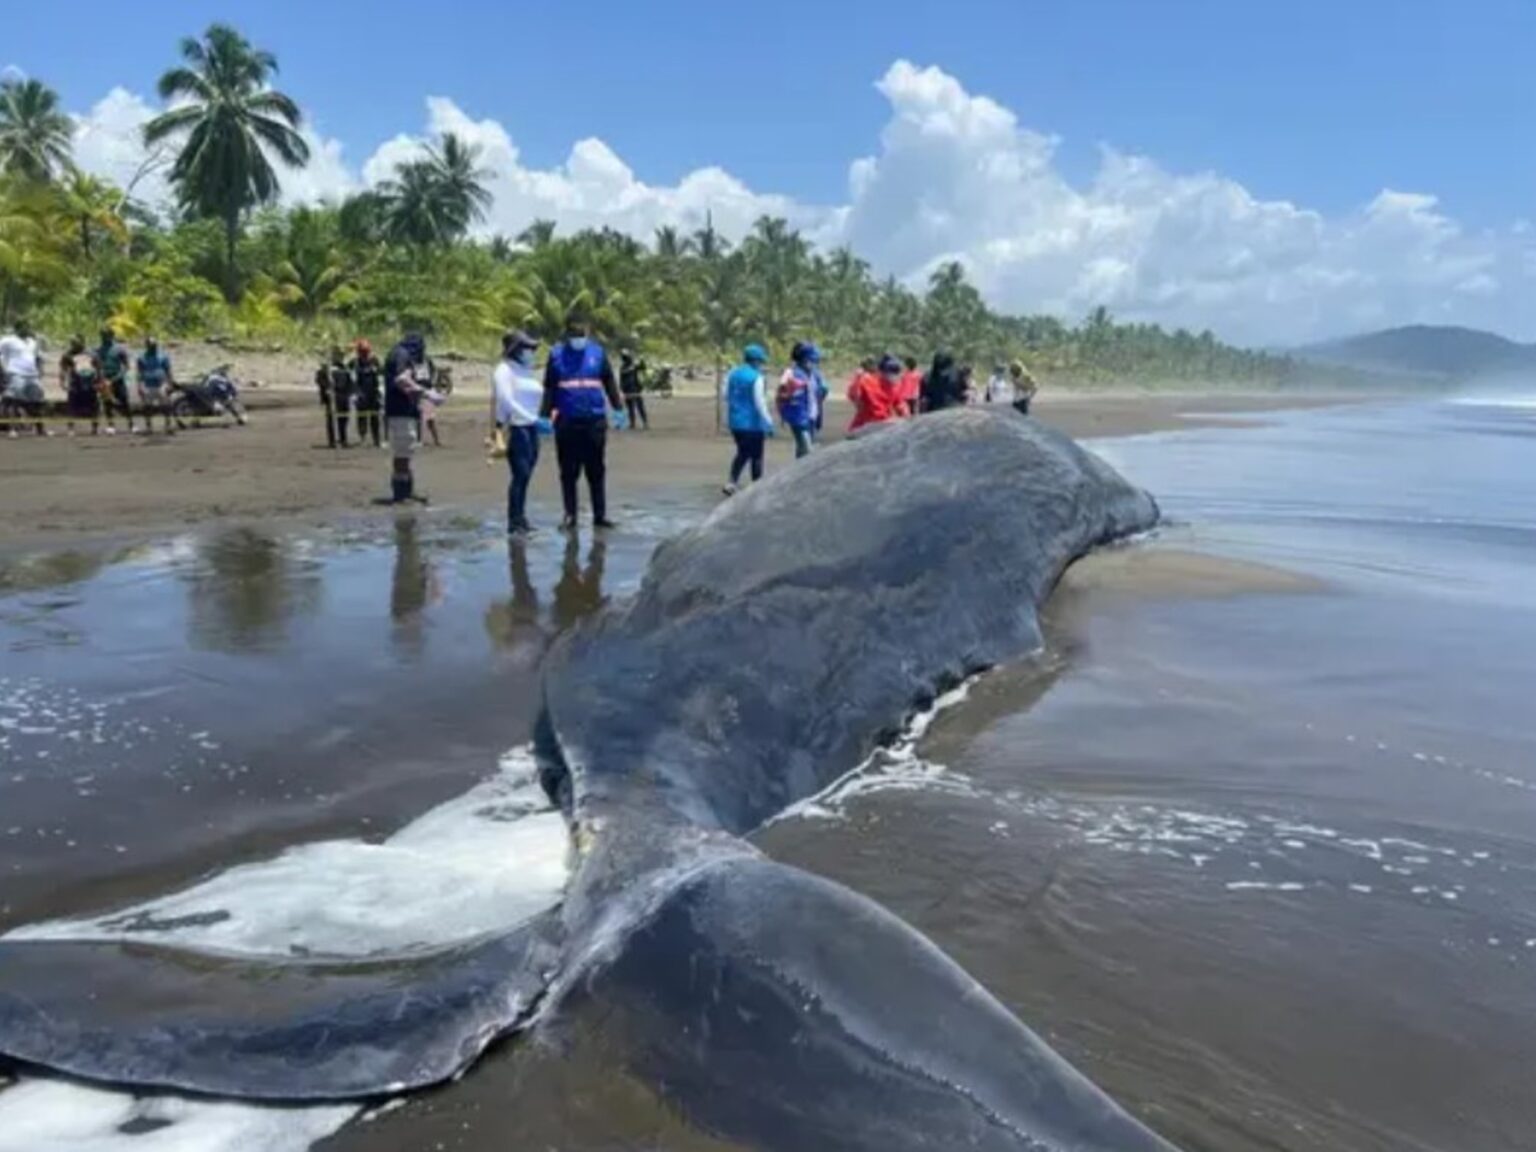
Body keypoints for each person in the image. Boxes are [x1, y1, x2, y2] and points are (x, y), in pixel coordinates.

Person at [541, 310, 622, 532]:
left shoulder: (597, 353)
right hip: (567, 422)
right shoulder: (556, 355)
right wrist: (544, 415)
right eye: (575, 336)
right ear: (567, 337)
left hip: (594, 421)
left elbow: (609, 382)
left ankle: (600, 515)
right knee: (569, 471)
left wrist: (618, 408)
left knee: (596, 470)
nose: (579, 339)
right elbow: (549, 387)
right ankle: (570, 515)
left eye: (582, 335)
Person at [492, 329, 545, 536]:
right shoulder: (503, 370)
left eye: (532, 348)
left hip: (532, 428)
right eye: (527, 347)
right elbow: (505, 401)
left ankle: (521, 518)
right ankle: (514, 522)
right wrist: (531, 419)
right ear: (515, 349)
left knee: (527, 476)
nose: (531, 351)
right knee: (520, 475)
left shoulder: (525, 370)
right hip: (517, 428)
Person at [384, 332, 434, 503]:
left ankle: (407, 490)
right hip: (400, 410)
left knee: (406, 450)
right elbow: (400, 380)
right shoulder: (401, 354)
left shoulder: (400, 354)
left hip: (405, 410)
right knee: (402, 451)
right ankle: (401, 493)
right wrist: (426, 392)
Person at [724, 343, 775, 495]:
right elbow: (760, 402)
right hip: (753, 423)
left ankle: (731, 482)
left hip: (735, 421)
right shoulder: (757, 378)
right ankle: (756, 486)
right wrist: (769, 422)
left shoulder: (732, 374)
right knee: (756, 455)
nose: (761, 364)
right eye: (760, 361)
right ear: (756, 361)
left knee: (742, 452)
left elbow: (725, 395)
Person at [776, 341, 824, 458]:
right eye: (812, 360)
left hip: (811, 416)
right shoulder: (791, 374)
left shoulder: (815, 375)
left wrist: (819, 416)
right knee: (807, 450)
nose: (814, 363)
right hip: (798, 418)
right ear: (804, 359)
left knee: (803, 451)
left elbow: (818, 396)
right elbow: (781, 395)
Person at [0, 319, 46, 438]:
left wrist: (40, 371)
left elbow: (37, 357)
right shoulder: (8, 340)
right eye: (26, 326)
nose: (28, 329)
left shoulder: (32, 342)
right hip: (15, 374)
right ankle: (12, 429)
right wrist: (4, 370)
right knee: (13, 401)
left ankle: (40, 429)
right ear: (18, 328)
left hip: (32, 375)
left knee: (37, 402)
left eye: (29, 326)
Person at [848, 354, 909, 431]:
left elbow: (900, 405)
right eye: (890, 371)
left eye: (896, 371)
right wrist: (857, 379)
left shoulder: (895, 387)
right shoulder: (867, 381)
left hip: (883, 424)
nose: (893, 375)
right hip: (864, 425)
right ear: (881, 371)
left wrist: (908, 419)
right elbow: (854, 396)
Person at [59, 336, 102, 436]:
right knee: (72, 406)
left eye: (76, 343)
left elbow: (99, 368)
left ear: (82, 342)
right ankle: (71, 429)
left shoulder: (92, 353)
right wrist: (62, 382)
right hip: (75, 383)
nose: (74, 345)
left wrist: (100, 382)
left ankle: (94, 428)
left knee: (94, 406)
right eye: (72, 343)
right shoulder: (68, 354)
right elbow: (63, 369)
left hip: (90, 382)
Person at [95, 326, 133, 434]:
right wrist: (101, 380)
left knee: (124, 402)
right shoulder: (98, 350)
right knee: (107, 403)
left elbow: (126, 366)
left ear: (111, 336)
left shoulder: (119, 349)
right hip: (105, 380)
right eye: (102, 336)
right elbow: (97, 366)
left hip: (117, 378)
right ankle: (111, 426)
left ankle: (131, 424)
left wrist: (116, 378)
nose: (103, 338)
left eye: (106, 335)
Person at [136, 336, 176, 435]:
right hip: (148, 385)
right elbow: (139, 373)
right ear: (147, 346)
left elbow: (168, 370)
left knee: (166, 406)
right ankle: (149, 427)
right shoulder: (141, 358)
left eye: (154, 345)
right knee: (147, 407)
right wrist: (139, 386)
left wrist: (170, 383)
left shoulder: (163, 356)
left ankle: (168, 425)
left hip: (161, 384)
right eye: (150, 345)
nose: (153, 347)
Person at [315, 345, 353, 448]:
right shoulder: (326, 369)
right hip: (332, 397)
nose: (339, 357)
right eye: (336, 355)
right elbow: (319, 379)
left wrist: (350, 393)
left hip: (343, 396)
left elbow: (349, 381)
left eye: (340, 355)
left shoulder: (344, 368)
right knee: (331, 420)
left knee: (344, 419)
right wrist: (326, 388)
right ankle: (332, 441)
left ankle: (343, 439)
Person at [350, 339, 383, 448]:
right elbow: (351, 378)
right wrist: (355, 393)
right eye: (362, 351)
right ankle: (362, 438)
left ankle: (376, 439)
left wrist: (380, 391)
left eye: (366, 351)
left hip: (373, 392)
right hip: (361, 393)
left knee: (375, 417)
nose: (364, 354)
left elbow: (380, 375)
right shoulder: (354, 363)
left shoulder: (375, 361)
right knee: (362, 417)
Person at [619, 349, 649, 430]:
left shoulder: (633, 366)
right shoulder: (624, 367)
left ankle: (645, 423)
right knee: (630, 407)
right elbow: (622, 377)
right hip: (628, 390)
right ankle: (632, 423)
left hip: (636, 389)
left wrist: (642, 359)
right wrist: (621, 389)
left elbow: (643, 367)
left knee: (639, 407)